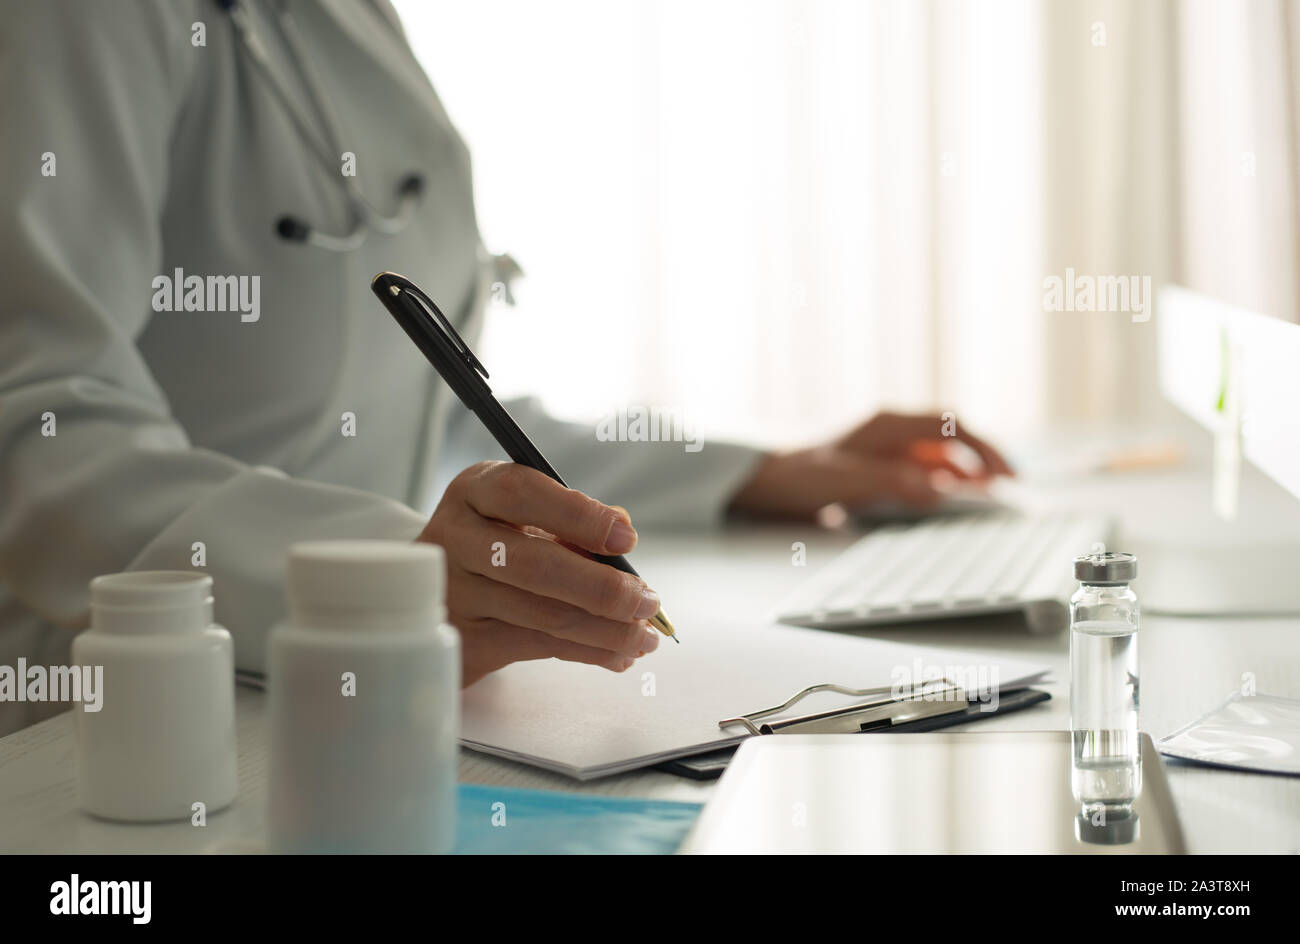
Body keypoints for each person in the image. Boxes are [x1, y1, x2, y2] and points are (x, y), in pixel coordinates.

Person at [0, 0, 1010, 735]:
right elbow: (38, 436)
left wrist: (751, 469)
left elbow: (416, 414)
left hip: (360, 700)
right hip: (107, 716)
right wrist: (385, 586)